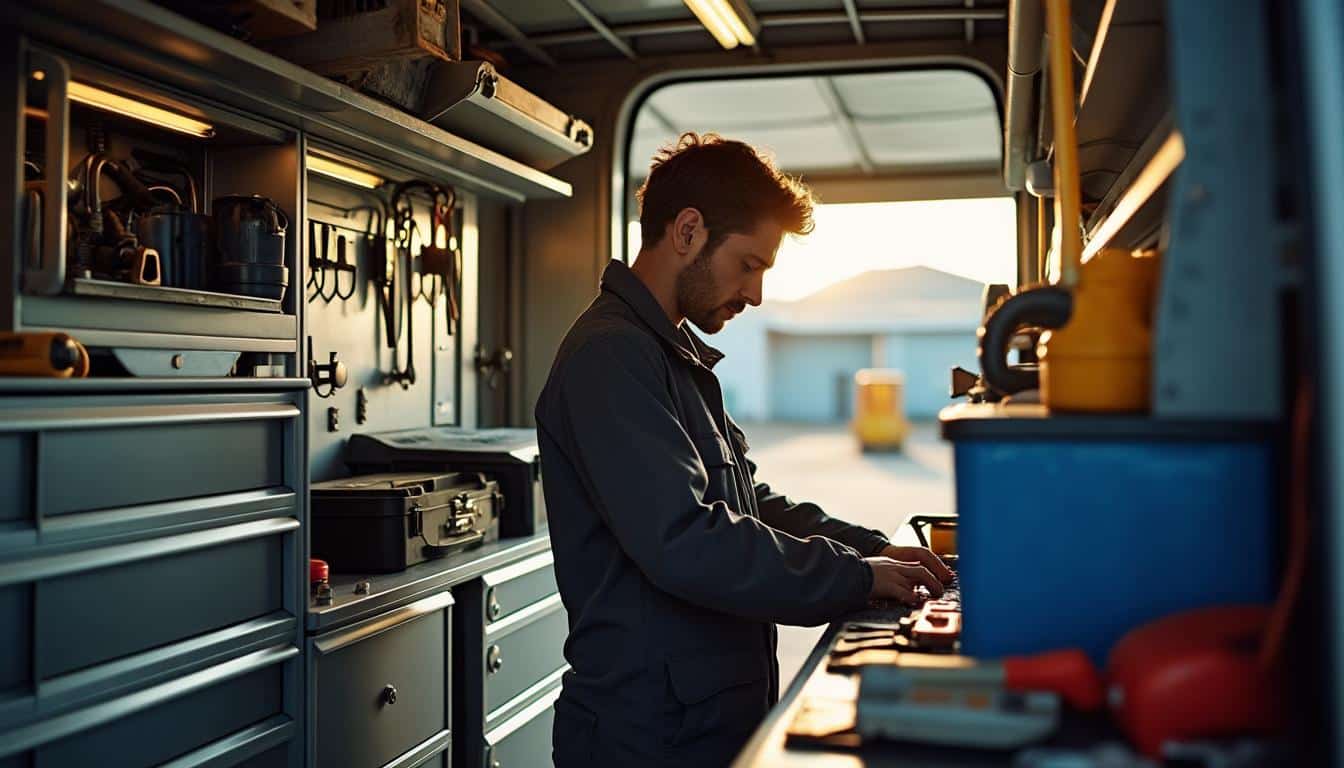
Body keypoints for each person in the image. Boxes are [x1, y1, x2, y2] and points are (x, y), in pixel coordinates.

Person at [535, 132, 954, 767]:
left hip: (698, 720)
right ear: (688, 232)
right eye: (749, 265)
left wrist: (872, 550)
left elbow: (747, 503)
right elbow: (686, 537)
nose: (755, 294)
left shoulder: (670, 354)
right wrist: (855, 577)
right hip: (645, 734)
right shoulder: (610, 356)